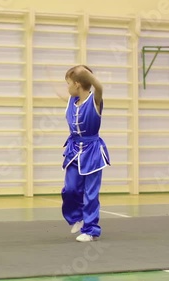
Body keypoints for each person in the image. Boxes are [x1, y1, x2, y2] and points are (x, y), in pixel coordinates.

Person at [56, 65, 111, 242]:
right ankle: (77, 217)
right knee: (70, 189)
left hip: (93, 151)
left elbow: (99, 87)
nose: (68, 87)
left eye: (69, 83)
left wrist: (86, 74)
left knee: (90, 193)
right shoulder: (71, 101)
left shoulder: (95, 100)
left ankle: (91, 229)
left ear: (78, 84)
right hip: (74, 150)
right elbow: (61, 94)